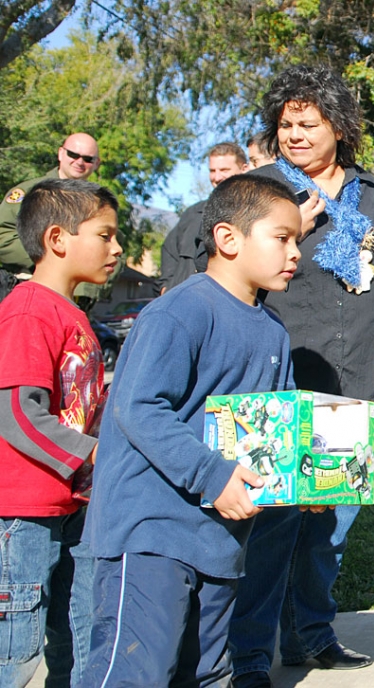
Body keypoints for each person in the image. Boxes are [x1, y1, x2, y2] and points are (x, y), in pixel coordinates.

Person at [80, 174, 304, 686]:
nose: (295, 253)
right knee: (137, 672)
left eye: (298, 240)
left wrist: (300, 479)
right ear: (227, 239)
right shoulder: (180, 311)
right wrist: (213, 476)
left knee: (204, 674)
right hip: (153, 533)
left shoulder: (273, 329)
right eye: (282, 237)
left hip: (221, 542)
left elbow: (277, 425)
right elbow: (138, 408)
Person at [228, 64, 374, 688]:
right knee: (273, 525)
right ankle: (250, 655)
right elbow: (226, 270)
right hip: (277, 384)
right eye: (285, 124)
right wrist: (291, 227)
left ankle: (312, 636)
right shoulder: (259, 190)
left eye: (308, 123)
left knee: (330, 528)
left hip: (357, 383)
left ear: (339, 125)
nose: (295, 134)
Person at [0, 178, 120, 687]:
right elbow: (17, 413)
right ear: (57, 239)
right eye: (105, 234)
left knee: (73, 635)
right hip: (24, 512)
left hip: (69, 504)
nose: (116, 249)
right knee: (14, 649)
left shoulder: (72, 313)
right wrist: (98, 455)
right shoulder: (29, 311)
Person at [0, 133, 102, 302]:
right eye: (73, 155)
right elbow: (2, 233)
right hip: (29, 293)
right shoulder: (31, 192)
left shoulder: (99, 204)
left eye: (87, 158)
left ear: (96, 163)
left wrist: (97, 286)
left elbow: (113, 247)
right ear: (61, 153)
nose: (79, 162)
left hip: (77, 301)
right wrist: (46, 258)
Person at [157, 142, 250, 294]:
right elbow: (169, 250)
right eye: (212, 170)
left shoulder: (253, 214)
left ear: (244, 169)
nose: (217, 177)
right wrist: (166, 287)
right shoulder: (193, 213)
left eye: (224, 170)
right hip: (182, 304)